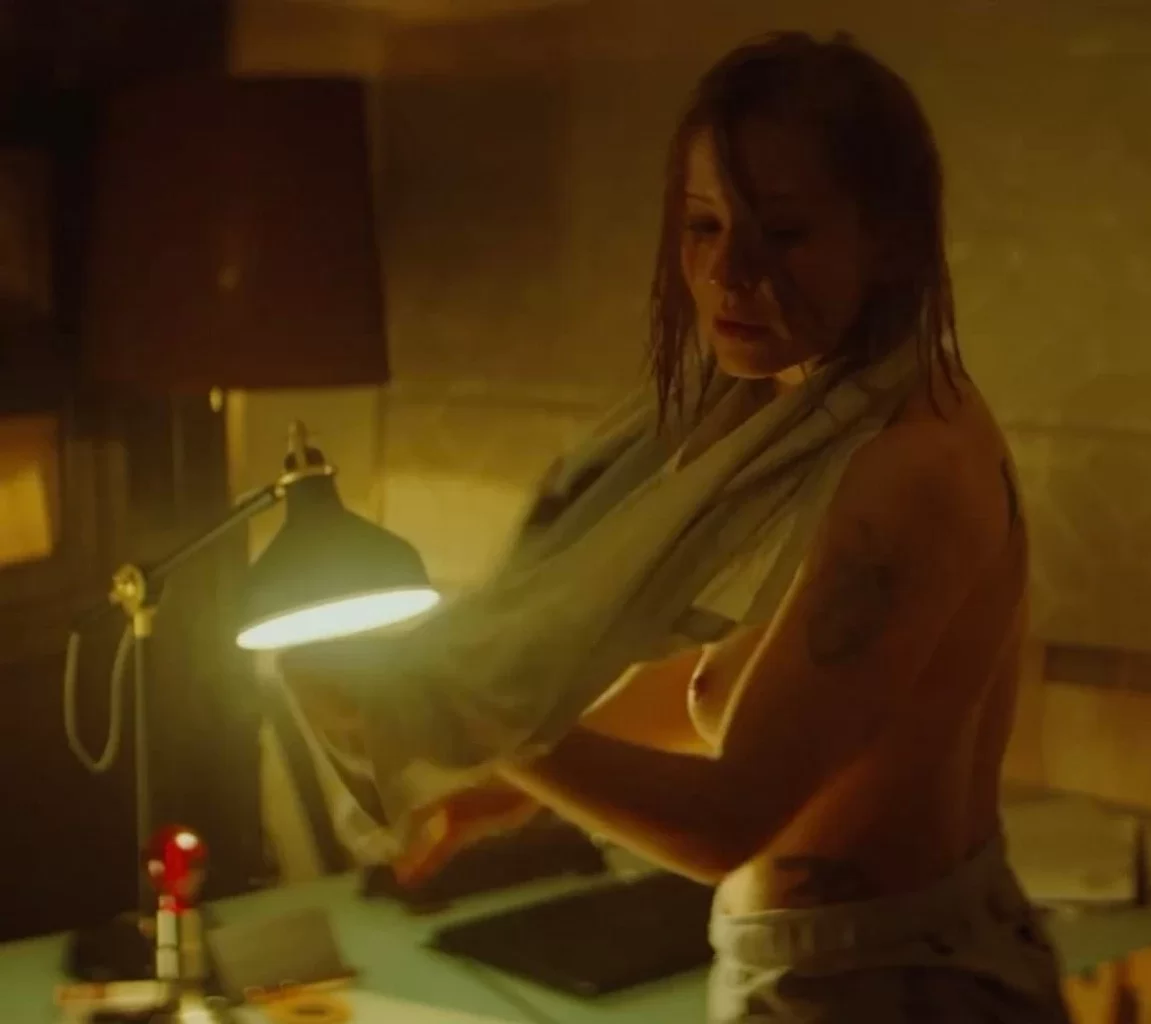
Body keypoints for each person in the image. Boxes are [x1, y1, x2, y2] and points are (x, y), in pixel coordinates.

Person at [287, 30, 1069, 1024]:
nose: (730, 273)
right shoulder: (807, 412)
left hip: (890, 992)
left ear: (889, 241)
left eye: (784, 234)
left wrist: (469, 713)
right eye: (704, 226)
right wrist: (509, 780)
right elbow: (735, 678)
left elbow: (726, 822)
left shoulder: (906, 475)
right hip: (840, 970)